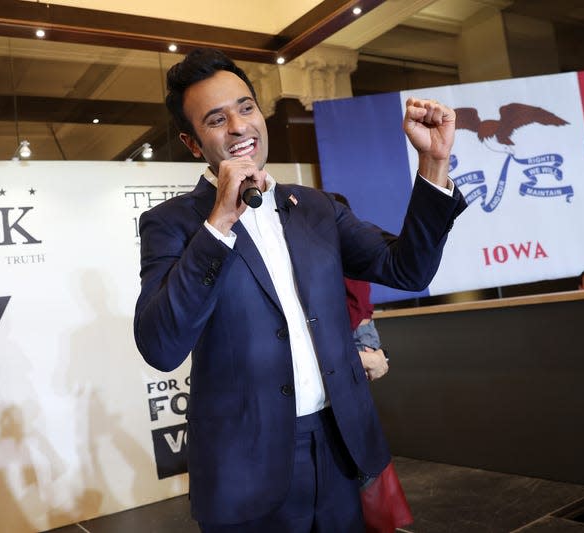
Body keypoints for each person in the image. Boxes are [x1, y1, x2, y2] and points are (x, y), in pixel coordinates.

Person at [133, 47, 467, 532]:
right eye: (215, 119)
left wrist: (434, 164)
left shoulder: (315, 206)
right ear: (191, 142)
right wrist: (220, 221)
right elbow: (161, 345)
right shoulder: (173, 224)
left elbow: (407, 269)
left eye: (246, 107)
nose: (239, 126)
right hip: (245, 469)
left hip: (339, 447)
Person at [330, 192, 389, 382]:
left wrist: (344, 332)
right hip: (357, 331)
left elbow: (357, 301)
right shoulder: (338, 250)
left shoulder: (345, 250)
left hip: (357, 333)